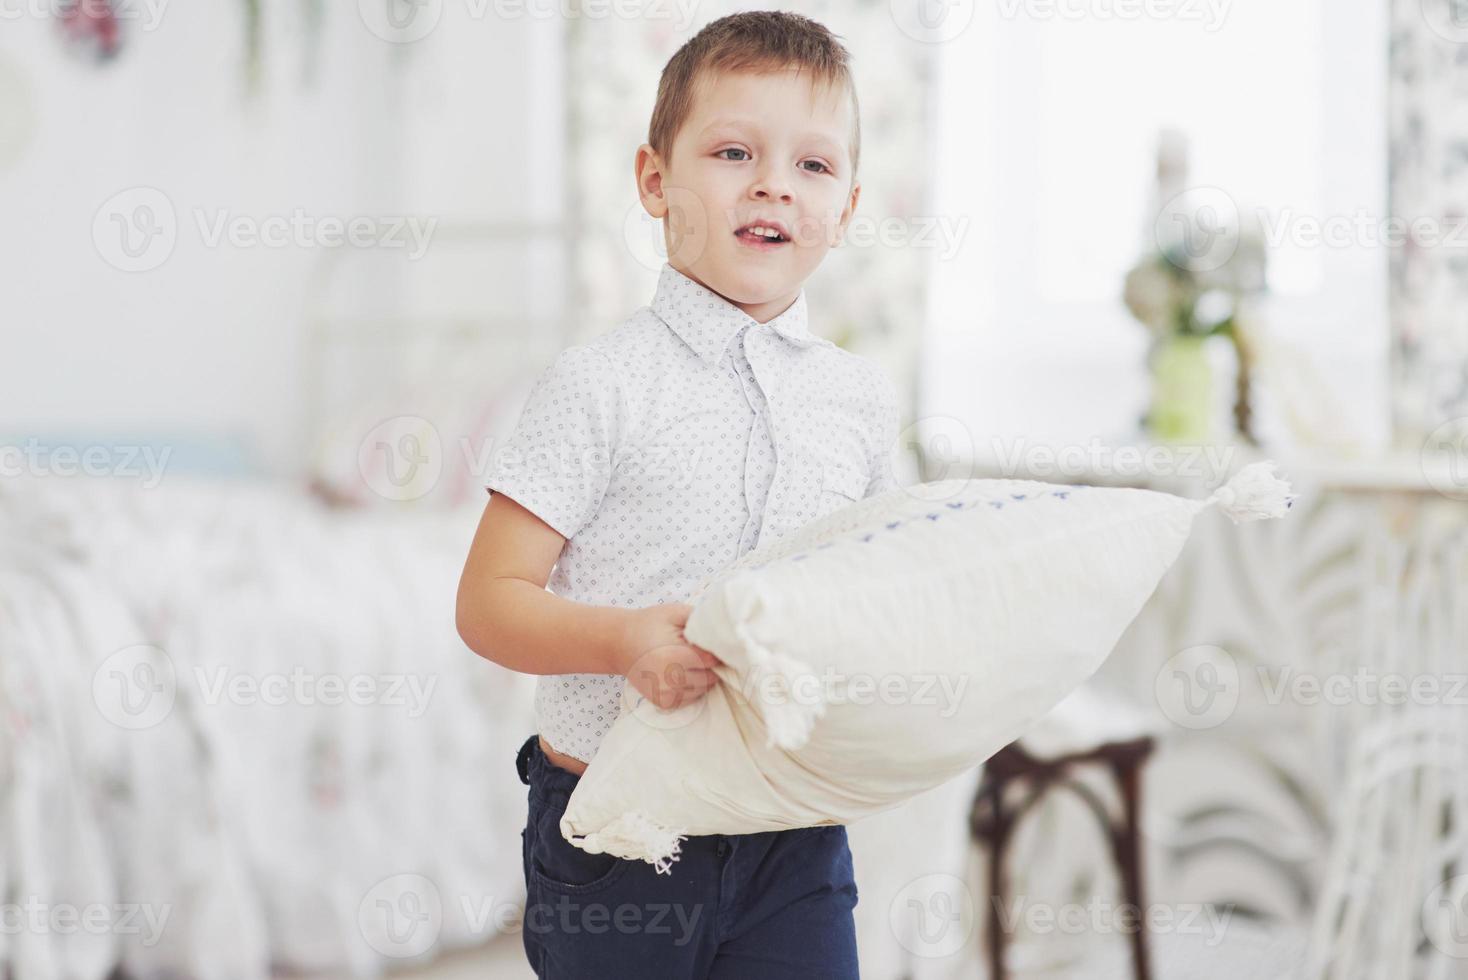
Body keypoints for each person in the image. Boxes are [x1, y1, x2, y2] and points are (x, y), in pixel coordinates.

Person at [456, 10, 899, 977]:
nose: (775, 182)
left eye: (814, 166)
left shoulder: (860, 400)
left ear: (848, 206)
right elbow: (487, 604)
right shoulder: (600, 384)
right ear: (655, 180)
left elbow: (881, 593)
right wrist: (623, 642)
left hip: (793, 834)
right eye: (735, 150)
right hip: (622, 834)